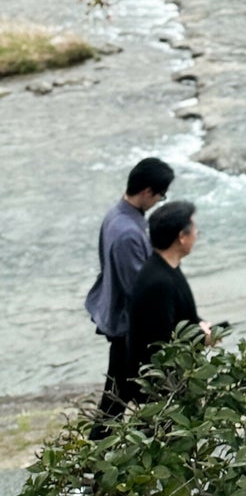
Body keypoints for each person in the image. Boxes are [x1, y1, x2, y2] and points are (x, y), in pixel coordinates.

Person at [85, 155, 174, 435]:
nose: (160, 200)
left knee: (114, 404)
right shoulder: (127, 233)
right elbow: (140, 291)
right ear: (147, 191)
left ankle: (94, 465)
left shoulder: (117, 216)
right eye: (161, 195)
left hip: (119, 324)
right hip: (131, 332)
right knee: (161, 408)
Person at [123, 199, 208, 400]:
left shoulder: (167, 267)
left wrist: (200, 324)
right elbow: (161, 341)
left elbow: (179, 315)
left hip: (172, 381)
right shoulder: (158, 281)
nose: (196, 235)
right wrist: (203, 336)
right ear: (182, 237)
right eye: (194, 230)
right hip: (160, 389)